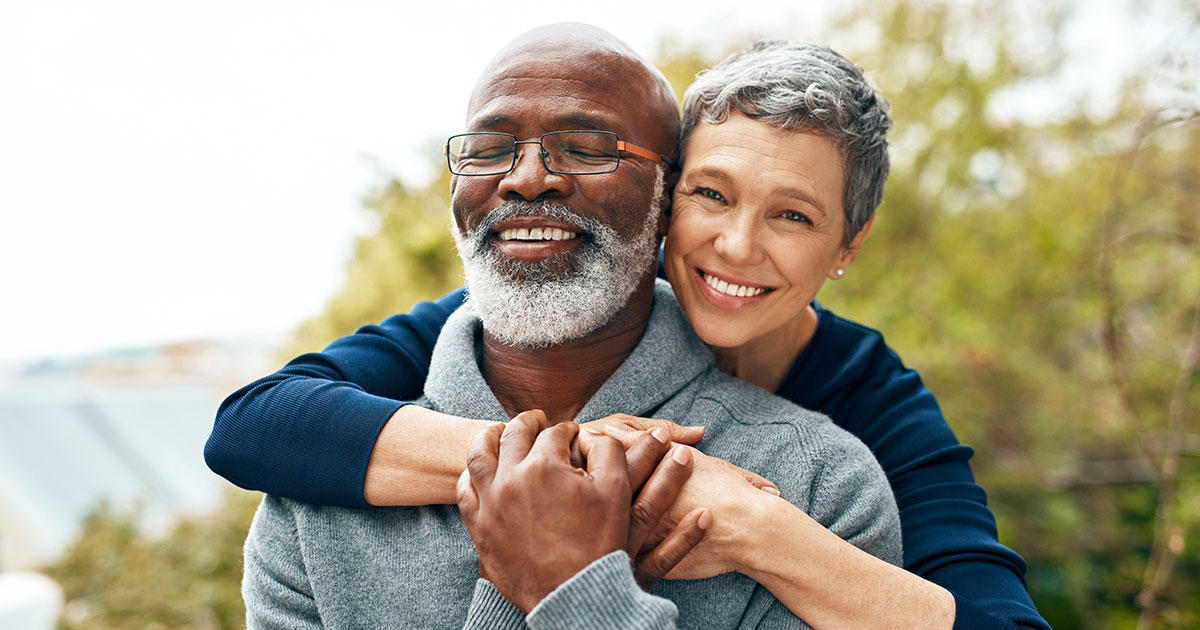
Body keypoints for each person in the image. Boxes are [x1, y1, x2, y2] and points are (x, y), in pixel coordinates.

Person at [213, 31, 1050, 630]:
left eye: (792, 214)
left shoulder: (841, 458)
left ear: (848, 246)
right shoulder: (320, 498)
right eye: (714, 196)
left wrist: (756, 532)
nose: (736, 245)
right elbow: (256, 420)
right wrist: (555, 466)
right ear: (671, 204)